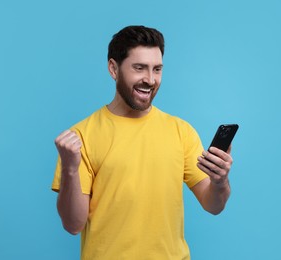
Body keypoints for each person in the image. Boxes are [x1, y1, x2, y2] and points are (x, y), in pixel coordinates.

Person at [52, 25, 234, 260]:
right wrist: (69, 168)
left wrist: (220, 182)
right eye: (139, 68)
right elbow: (73, 224)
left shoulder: (181, 131)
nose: (150, 79)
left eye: (157, 69)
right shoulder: (82, 136)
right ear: (113, 68)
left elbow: (213, 205)